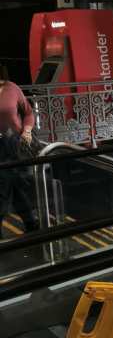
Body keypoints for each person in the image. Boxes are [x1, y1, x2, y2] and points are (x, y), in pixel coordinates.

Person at [0, 79, 38, 238]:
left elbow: (28, 113)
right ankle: (31, 223)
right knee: (5, 186)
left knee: (13, 185)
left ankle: (31, 224)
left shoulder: (11, 88)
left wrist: (27, 131)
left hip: (14, 143)